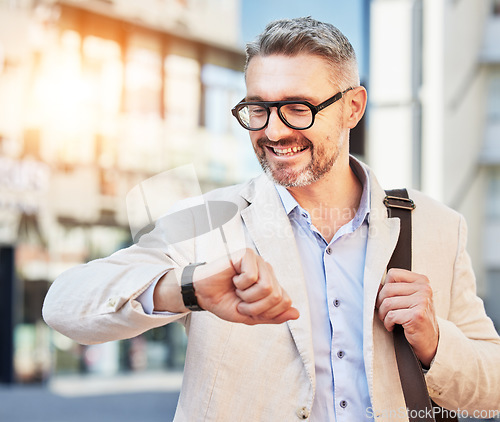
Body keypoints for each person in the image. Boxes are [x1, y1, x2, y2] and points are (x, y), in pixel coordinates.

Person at [43, 17, 500, 421]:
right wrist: (187, 288)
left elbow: (492, 392)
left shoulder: (437, 225)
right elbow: (64, 305)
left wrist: (436, 343)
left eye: (298, 107)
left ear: (353, 108)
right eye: (258, 108)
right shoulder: (206, 221)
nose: (273, 131)